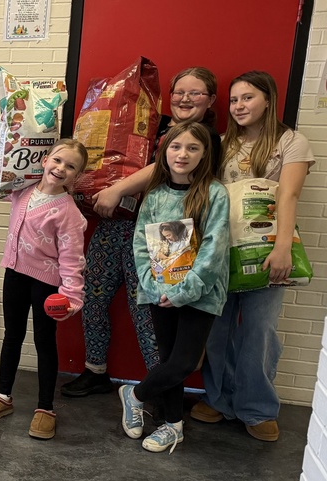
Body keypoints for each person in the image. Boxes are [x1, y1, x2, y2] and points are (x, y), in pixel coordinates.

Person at [62, 67, 223, 398]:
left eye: (196, 93)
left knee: (149, 310)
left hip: (166, 229)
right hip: (116, 224)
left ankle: (157, 386)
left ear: (211, 100)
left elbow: (160, 168)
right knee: (92, 294)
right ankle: (95, 371)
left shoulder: (207, 139)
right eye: (179, 92)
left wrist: (116, 189)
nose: (185, 99)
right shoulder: (150, 122)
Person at [191, 71, 315, 442]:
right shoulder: (224, 142)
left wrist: (281, 249)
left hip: (267, 250)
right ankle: (218, 399)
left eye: (247, 98)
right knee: (218, 328)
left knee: (259, 331)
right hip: (221, 249)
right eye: (233, 100)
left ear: (268, 99)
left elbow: (289, 196)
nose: (239, 106)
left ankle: (257, 408)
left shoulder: (291, 142)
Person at [118, 121, 230, 453]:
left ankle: (133, 394)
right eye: (176, 146)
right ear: (164, 151)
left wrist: (184, 292)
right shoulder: (155, 195)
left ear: (205, 154)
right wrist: (154, 288)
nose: (182, 154)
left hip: (201, 295)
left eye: (193, 148)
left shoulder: (214, 193)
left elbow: (213, 249)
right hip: (160, 294)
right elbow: (141, 245)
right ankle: (173, 426)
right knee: (167, 360)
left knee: (182, 363)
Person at [0, 139, 89, 440]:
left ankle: (45, 408)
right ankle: (3, 396)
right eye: (58, 160)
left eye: (71, 166)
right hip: (14, 274)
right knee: (12, 335)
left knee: (44, 342)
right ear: (45, 159)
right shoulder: (22, 190)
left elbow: (72, 259)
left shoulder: (69, 213)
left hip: (46, 285)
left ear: (77, 175)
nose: (61, 168)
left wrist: (71, 298)